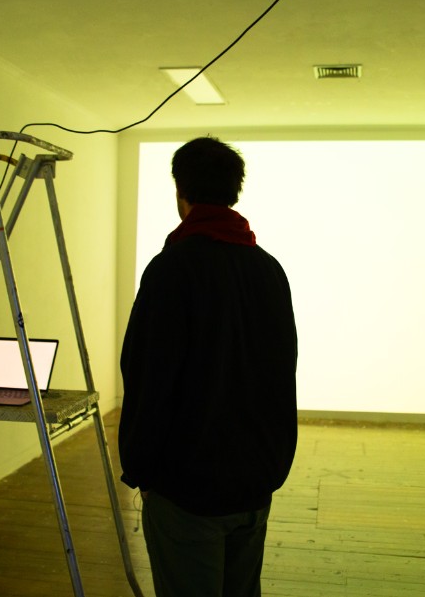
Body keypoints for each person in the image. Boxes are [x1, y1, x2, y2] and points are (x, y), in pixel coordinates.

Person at [119, 136, 298, 597]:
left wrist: (140, 466)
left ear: (182, 193)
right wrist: (273, 464)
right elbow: (281, 371)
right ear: (234, 192)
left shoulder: (171, 269)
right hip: (255, 481)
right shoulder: (268, 269)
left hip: (187, 488)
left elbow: (146, 375)